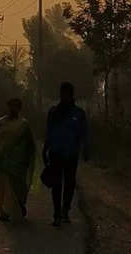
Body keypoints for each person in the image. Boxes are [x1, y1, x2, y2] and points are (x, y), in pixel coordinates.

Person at [43, 81, 88, 227]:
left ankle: (65, 211)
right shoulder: (53, 112)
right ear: (60, 94)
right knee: (56, 184)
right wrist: (45, 149)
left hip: (71, 154)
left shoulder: (79, 113)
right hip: (55, 152)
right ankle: (56, 214)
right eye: (63, 93)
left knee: (69, 183)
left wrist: (86, 150)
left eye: (68, 94)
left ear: (72, 95)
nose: (65, 96)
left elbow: (83, 134)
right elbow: (48, 132)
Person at [0, 98, 36, 222]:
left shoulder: (24, 124)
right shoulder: (0, 122)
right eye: (11, 106)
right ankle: (3, 211)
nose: (13, 109)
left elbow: (30, 143)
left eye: (16, 107)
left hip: (18, 163)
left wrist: (29, 158)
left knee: (18, 186)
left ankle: (20, 205)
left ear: (19, 108)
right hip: (1, 160)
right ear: (7, 107)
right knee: (2, 187)